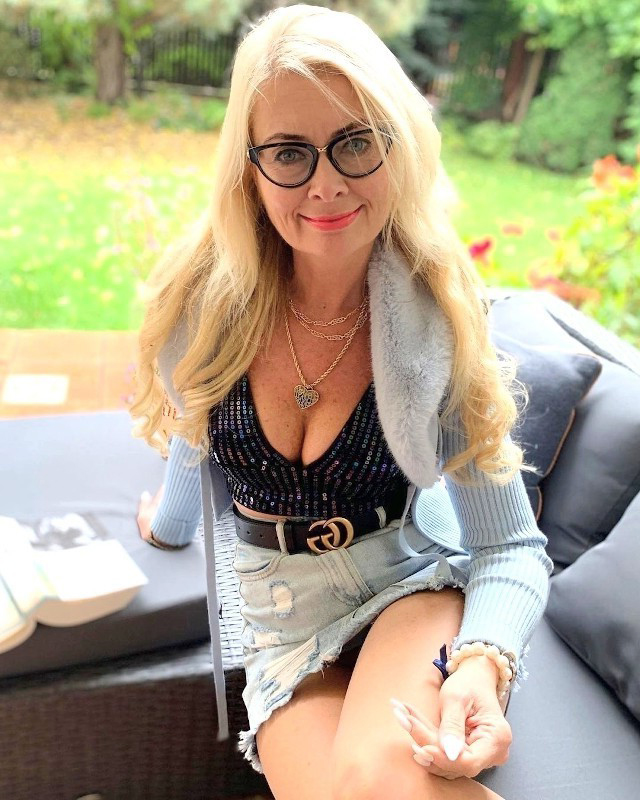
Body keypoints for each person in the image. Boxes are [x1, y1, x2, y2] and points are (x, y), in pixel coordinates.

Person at [130, 5, 553, 798]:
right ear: (250, 167)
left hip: (407, 583)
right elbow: (197, 427)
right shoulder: (209, 304)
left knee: (378, 778)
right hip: (280, 618)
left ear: (398, 144)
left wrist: (482, 661)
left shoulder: (439, 317)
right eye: (289, 152)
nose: (325, 183)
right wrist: (168, 524)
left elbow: (510, 546)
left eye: (355, 142)